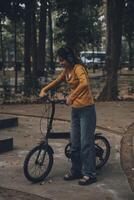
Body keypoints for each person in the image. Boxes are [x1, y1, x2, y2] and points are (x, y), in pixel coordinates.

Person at [39, 47, 97, 186]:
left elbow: (84, 83)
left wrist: (72, 96)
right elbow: (56, 81)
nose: (60, 62)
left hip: (87, 109)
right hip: (75, 111)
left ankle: (90, 174)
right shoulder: (67, 71)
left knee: (85, 143)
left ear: (69, 59)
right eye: (59, 60)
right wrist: (44, 89)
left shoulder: (78, 68)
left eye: (62, 60)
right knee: (74, 143)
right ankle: (76, 170)